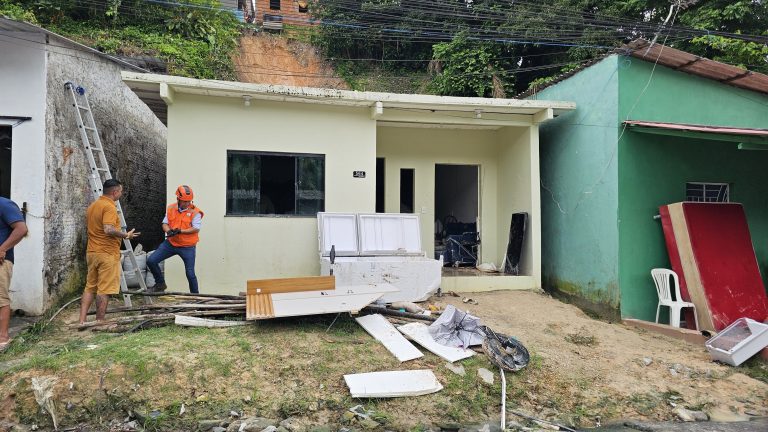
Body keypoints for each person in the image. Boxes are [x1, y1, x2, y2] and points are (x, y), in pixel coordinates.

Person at [79, 179, 140, 325]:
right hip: (106, 253)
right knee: (104, 289)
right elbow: (108, 229)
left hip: (92, 252)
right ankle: (100, 320)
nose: (122, 193)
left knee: (90, 287)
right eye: (121, 190)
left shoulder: (93, 206)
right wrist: (126, 235)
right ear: (115, 192)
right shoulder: (109, 207)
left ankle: (81, 321)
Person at [147, 185, 204, 294]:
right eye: (184, 201)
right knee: (151, 261)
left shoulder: (195, 212)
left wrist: (180, 231)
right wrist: (168, 231)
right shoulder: (171, 208)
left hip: (187, 247)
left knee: (190, 273)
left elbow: (196, 228)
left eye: (189, 201)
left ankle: (196, 297)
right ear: (178, 199)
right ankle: (160, 284)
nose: (187, 204)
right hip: (171, 244)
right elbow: (165, 223)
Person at [0, 197, 28, 352]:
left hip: (1, 261)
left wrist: (2, 249)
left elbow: (21, 229)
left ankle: (3, 338)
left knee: (0, 298)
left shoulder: (4, 204)